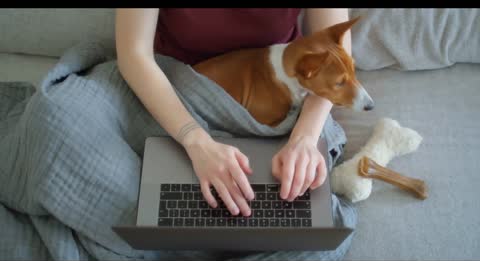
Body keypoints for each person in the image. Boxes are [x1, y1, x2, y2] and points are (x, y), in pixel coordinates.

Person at [115, 8, 352, 218]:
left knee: (306, 223)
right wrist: (195, 140)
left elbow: (338, 53)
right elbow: (134, 54)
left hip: (287, 96)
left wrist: (304, 139)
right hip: (177, 89)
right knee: (79, 113)